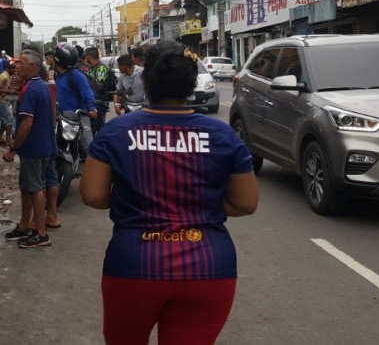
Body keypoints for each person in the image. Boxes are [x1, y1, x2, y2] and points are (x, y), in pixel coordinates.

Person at [79, 41, 259, 345]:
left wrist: (137, 196)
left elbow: (93, 195)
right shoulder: (222, 135)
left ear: (146, 81)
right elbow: (245, 203)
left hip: (134, 264)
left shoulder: (117, 132)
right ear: (191, 84)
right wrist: (199, 202)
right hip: (209, 266)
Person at [2, 50, 56, 249]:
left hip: (33, 147)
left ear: (33, 67)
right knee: (27, 187)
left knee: (35, 188)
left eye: (22, 63)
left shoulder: (31, 90)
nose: (17, 66)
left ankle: (40, 233)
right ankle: (24, 225)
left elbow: (26, 124)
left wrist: (13, 148)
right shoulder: (38, 86)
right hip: (40, 145)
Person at [85, 47, 117, 130]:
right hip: (94, 100)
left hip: (100, 101)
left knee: (100, 127)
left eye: (85, 56)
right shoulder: (91, 69)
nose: (84, 58)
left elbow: (99, 85)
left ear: (89, 56)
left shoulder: (101, 68)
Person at [0, 62, 20, 146]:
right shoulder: (3, 76)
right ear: (8, 69)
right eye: (13, 69)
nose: (15, 71)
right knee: (9, 118)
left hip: (1, 100)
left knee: (5, 120)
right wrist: (9, 91)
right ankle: (8, 139)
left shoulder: (8, 76)